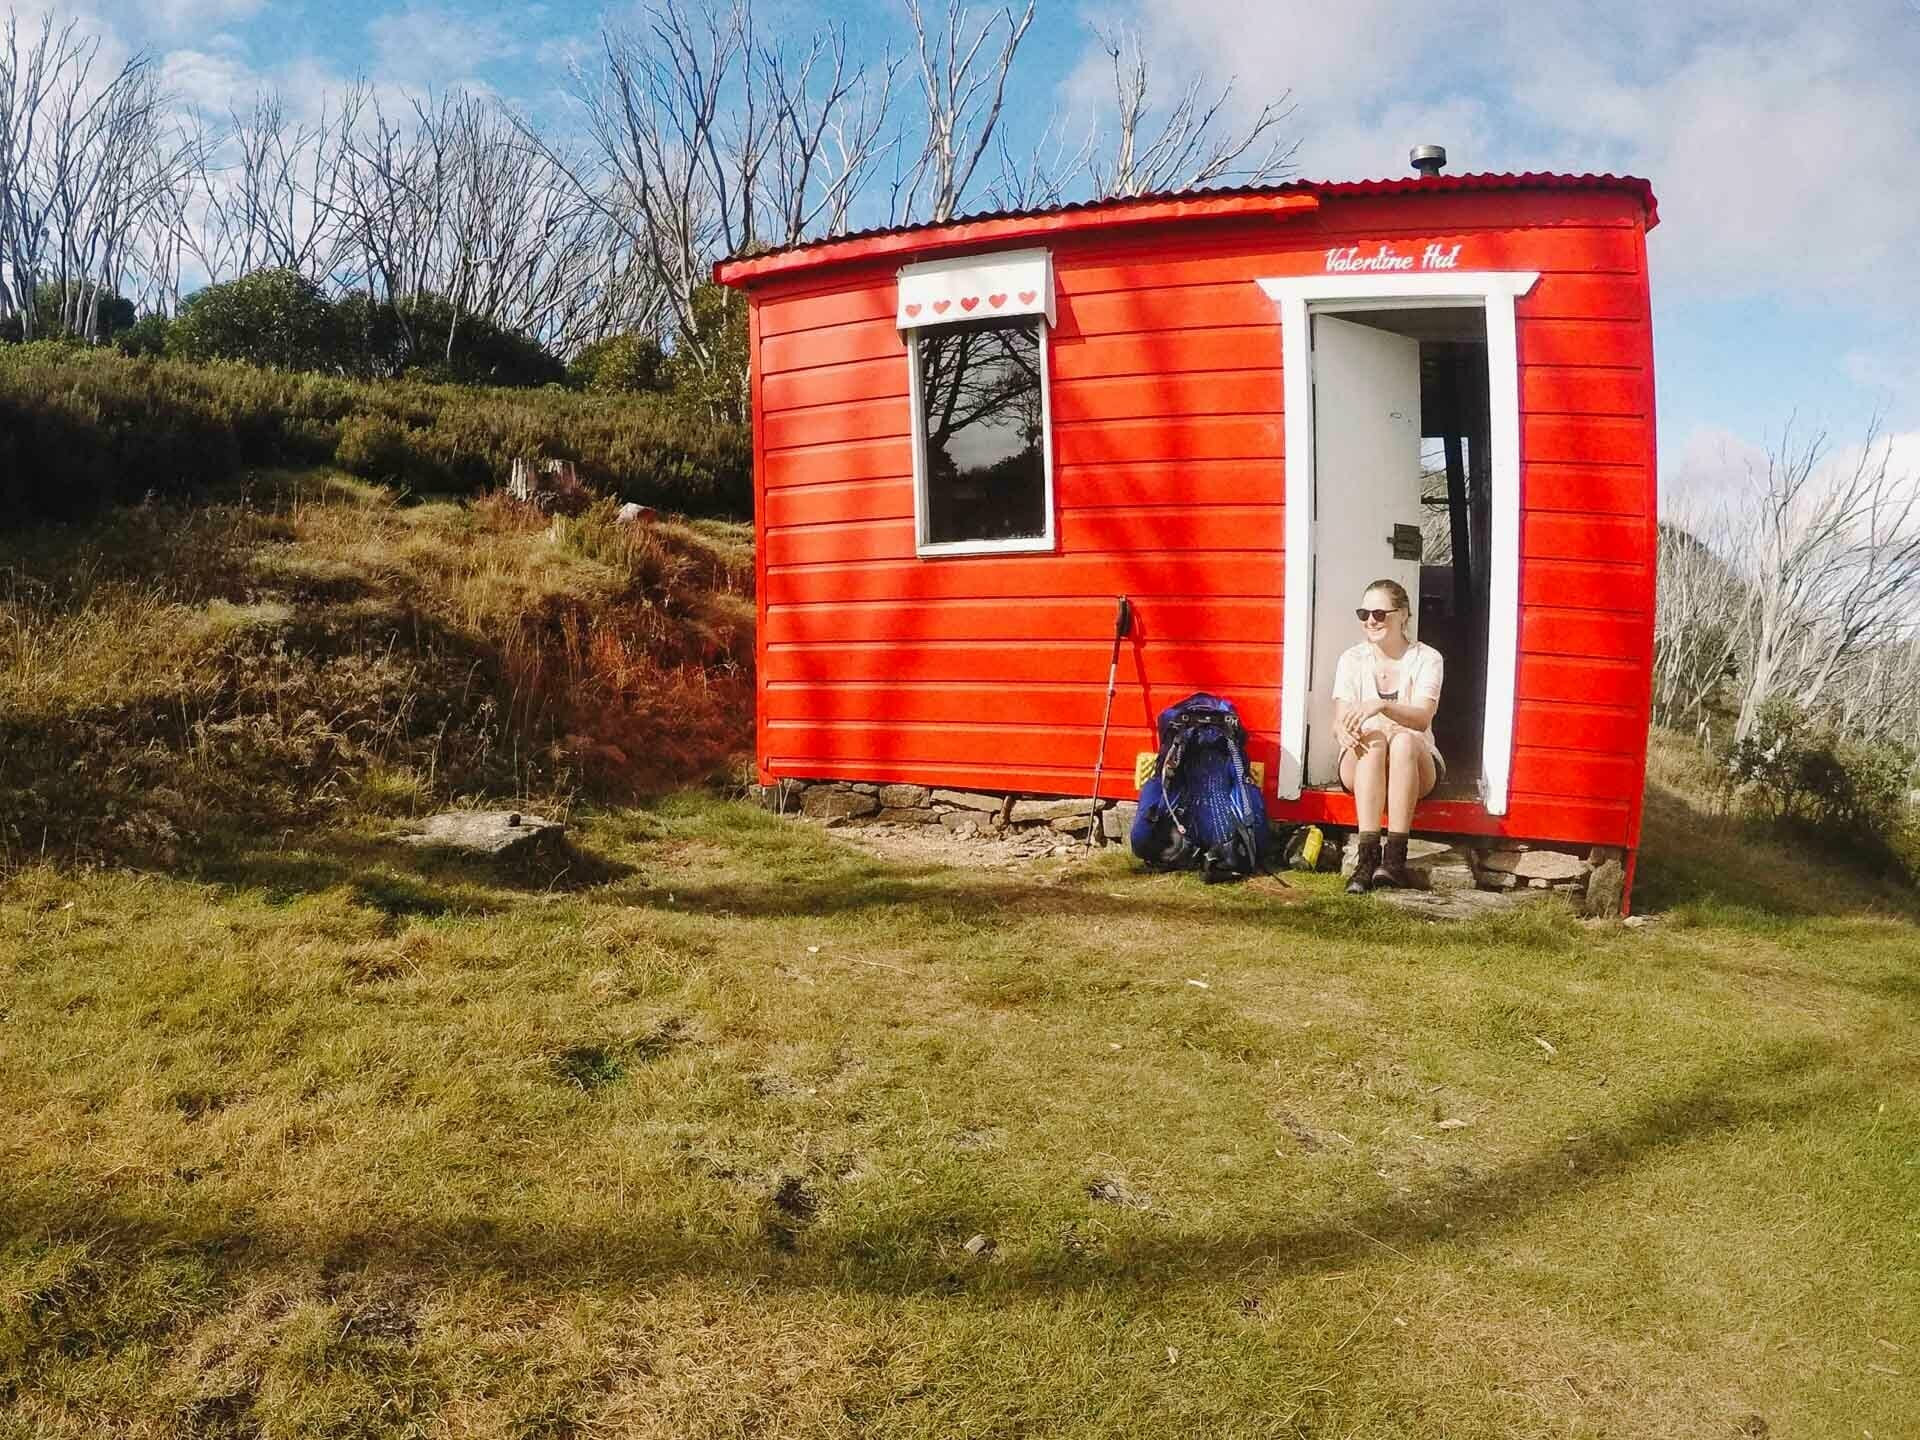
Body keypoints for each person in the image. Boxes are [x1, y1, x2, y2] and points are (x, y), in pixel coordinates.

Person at [1334, 579, 1444, 892]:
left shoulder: (1427, 659)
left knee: (1404, 738)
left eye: (1380, 613)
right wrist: (1343, 731)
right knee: (1375, 739)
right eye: (1364, 613)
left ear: (1404, 615)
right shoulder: (1352, 659)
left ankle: (1394, 859)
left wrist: (1382, 705)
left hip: (1413, 762)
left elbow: (1422, 718)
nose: (1370, 620)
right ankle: (1367, 859)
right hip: (1364, 762)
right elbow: (1338, 720)